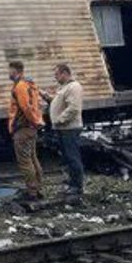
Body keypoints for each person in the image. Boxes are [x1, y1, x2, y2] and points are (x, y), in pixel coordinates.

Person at [42, 64, 85, 198]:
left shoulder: (74, 87)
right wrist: (46, 97)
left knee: (73, 158)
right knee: (67, 157)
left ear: (65, 73)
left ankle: (77, 186)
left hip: (69, 128)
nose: (55, 77)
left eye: (57, 74)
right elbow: (59, 102)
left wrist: (59, 120)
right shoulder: (65, 88)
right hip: (64, 128)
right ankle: (72, 183)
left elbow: (73, 108)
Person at [7, 61, 45, 201]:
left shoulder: (20, 86)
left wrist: (34, 121)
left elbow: (26, 107)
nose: (8, 73)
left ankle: (32, 192)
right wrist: (36, 123)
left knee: (25, 161)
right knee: (33, 159)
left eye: (9, 70)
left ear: (15, 70)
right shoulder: (30, 84)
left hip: (23, 128)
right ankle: (38, 188)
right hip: (30, 128)